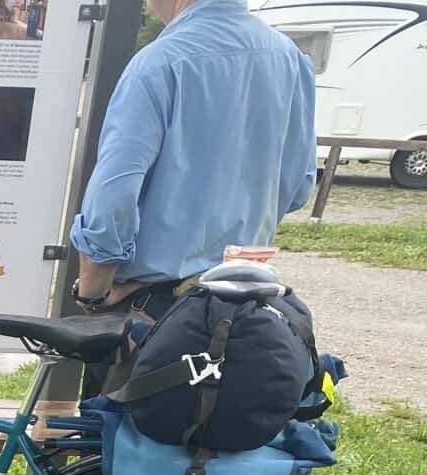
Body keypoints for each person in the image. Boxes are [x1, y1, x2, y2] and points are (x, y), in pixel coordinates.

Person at [68, 0, 316, 378]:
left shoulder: (159, 63)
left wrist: (94, 291)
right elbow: (299, 186)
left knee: (125, 414)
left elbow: (113, 196)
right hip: (245, 302)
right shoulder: (290, 58)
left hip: (153, 308)